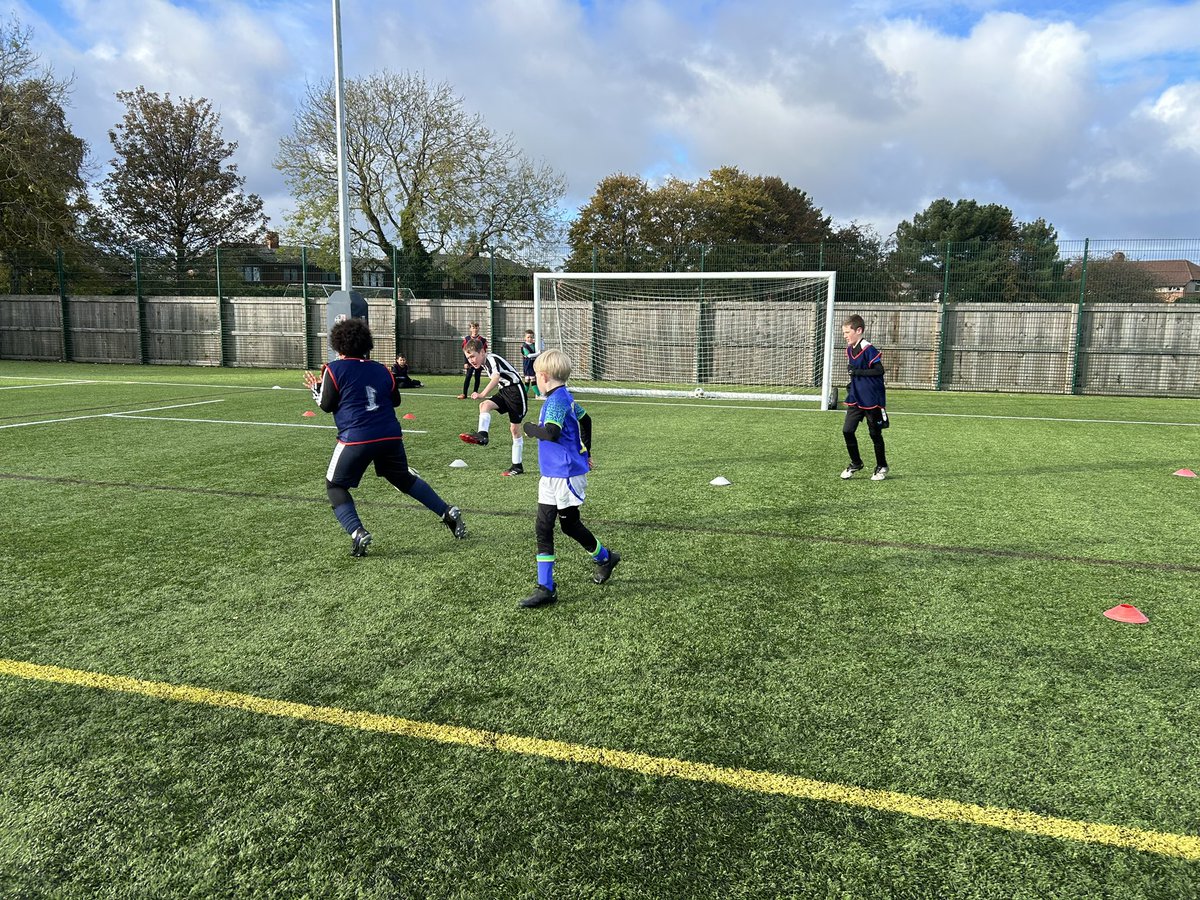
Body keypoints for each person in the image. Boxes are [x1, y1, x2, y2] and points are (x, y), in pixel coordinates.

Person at [304, 318, 467, 556]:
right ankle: (447, 511)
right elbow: (396, 401)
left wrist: (316, 389)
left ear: (338, 345)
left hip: (356, 437)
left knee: (335, 485)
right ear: (366, 344)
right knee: (403, 479)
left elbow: (327, 406)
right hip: (390, 435)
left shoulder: (333, 369)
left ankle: (357, 531)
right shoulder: (381, 368)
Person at [519, 348, 617, 608]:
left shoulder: (556, 400)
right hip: (552, 474)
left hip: (565, 474)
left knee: (570, 525)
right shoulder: (564, 397)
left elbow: (550, 433)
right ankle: (546, 588)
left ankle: (605, 557)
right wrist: (586, 450)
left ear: (543, 376)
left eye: (535, 375)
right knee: (543, 526)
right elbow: (586, 420)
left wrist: (529, 428)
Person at [458, 338, 528, 476]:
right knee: (484, 405)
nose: (471, 360)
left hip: (515, 393)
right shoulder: (484, 362)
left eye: (473, 356)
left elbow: (496, 378)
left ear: (482, 352)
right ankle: (482, 436)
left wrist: (482, 393)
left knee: (514, 429)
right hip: (505, 391)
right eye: (468, 358)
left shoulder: (491, 359)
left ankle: (517, 466)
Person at [840, 314, 890, 481]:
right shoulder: (849, 349)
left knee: (874, 434)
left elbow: (879, 370)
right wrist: (851, 382)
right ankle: (856, 462)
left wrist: (857, 372)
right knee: (847, 430)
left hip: (871, 399)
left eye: (847, 332)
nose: (845, 335)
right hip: (855, 397)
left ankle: (882, 466)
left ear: (859, 330)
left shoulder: (869, 349)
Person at [458, 322, 488, 399]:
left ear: (479, 328)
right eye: (473, 328)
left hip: (478, 362)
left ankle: (475, 393)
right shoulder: (467, 339)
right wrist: (465, 362)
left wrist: (482, 362)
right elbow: (465, 352)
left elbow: (483, 352)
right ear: (470, 329)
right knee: (468, 376)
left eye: (476, 328)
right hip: (470, 363)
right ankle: (464, 394)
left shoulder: (483, 340)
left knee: (477, 377)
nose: (475, 329)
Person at [520, 329, 540, 396]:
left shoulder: (534, 345)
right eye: (528, 337)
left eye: (531, 337)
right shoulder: (524, 346)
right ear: (525, 338)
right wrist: (537, 354)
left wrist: (541, 339)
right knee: (531, 378)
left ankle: (524, 394)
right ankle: (538, 394)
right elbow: (528, 355)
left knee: (528, 379)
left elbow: (541, 347)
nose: (530, 338)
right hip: (527, 364)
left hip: (533, 363)